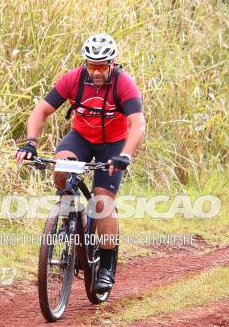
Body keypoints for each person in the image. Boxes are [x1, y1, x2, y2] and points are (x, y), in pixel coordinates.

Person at [15, 34, 146, 292]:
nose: (97, 72)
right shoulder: (74, 79)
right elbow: (41, 110)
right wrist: (31, 142)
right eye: (92, 65)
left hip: (114, 144)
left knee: (101, 202)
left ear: (113, 63)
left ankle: (106, 265)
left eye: (102, 66)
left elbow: (138, 123)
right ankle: (72, 223)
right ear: (85, 63)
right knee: (62, 171)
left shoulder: (124, 83)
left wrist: (126, 155)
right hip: (82, 138)